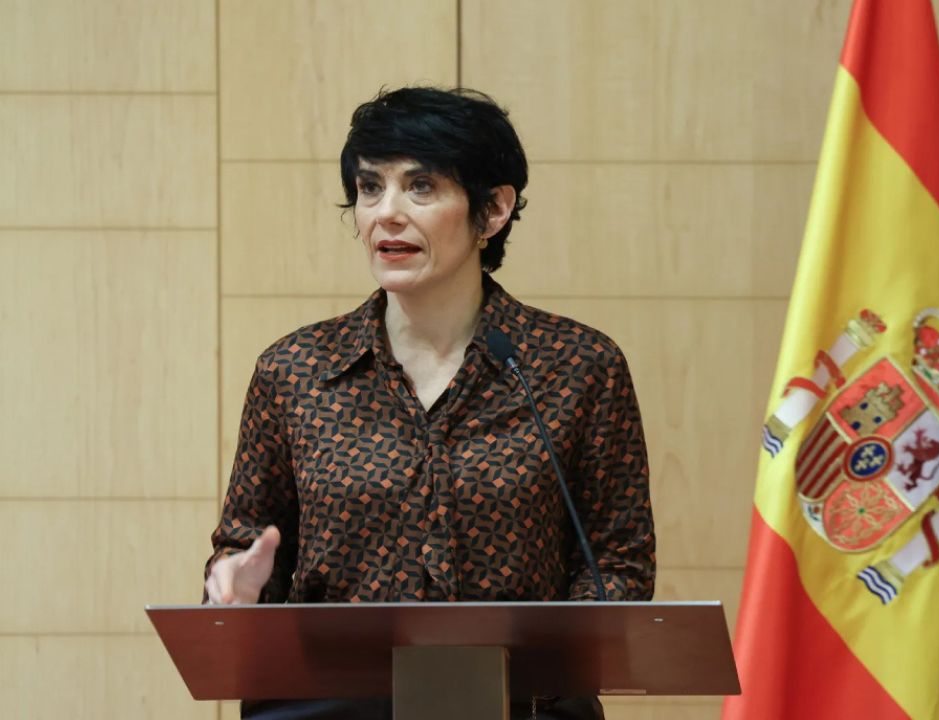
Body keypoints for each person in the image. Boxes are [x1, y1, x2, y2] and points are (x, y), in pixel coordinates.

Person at [204, 87, 656, 720]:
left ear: (492, 210)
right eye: (370, 188)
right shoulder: (296, 371)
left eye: (420, 187)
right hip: (329, 709)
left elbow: (617, 561)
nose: (386, 213)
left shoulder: (576, 367)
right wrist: (235, 589)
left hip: (521, 706)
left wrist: (551, 664)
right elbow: (248, 547)